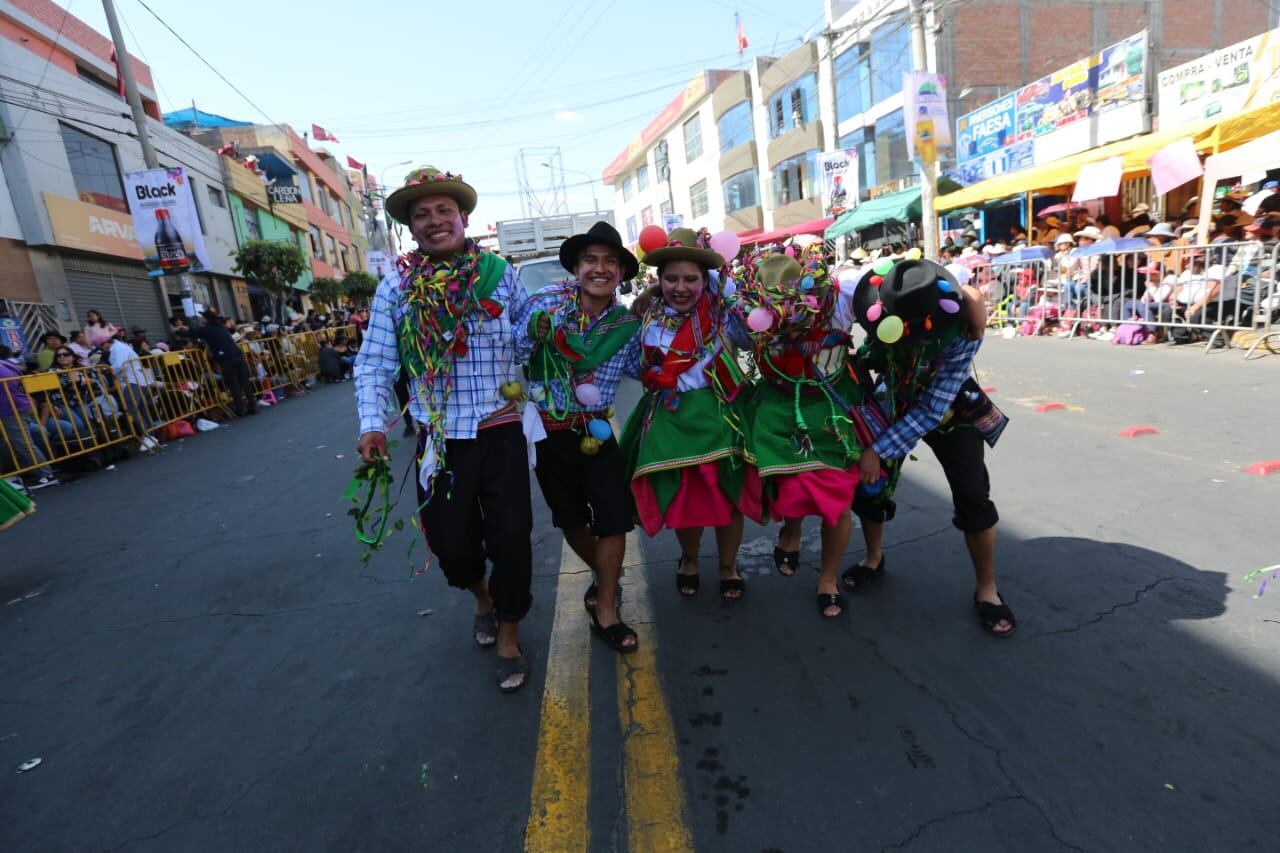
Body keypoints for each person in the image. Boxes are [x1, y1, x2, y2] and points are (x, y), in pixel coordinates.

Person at [355, 166, 533, 693]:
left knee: (512, 538)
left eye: (443, 211)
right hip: (439, 439)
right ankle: (481, 596)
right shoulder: (396, 288)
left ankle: (508, 633)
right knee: (452, 545)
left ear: (464, 217)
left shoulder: (501, 275)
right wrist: (372, 425)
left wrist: (546, 332)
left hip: (500, 429)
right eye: (421, 214)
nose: (434, 222)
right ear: (411, 228)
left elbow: (528, 345)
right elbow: (373, 363)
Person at [845, 258, 1016, 637]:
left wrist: (878, 448)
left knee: (973, 498)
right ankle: (874, 558)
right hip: (893, 402)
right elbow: (874, 361)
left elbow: (930, 409)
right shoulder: (882, 309)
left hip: (949, 411)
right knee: (868, 486)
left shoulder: (963, 329)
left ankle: (987, 589)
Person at [513, 220, 641, 653]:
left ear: (621, 273)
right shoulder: (543, 304)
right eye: (591, 260)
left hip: (597, 430)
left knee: (614, 517)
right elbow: (512, 349)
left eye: (610, 262)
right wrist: (534, 334)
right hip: (549, 432)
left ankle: (606, 608)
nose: (600, 269)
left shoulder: (626, 323)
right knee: (571, 521)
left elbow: (641, 367)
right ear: (577, 267)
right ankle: (607, 576)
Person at [620, 227, 760, 601]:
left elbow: (753, 336)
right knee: (687, 497)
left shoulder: (721, 314)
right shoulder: (646, 318)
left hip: (718, 413)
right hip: (670, 416)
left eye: (691, 279)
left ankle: (729, 565)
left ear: (706, 279)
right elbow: (633, 365)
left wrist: (727, 295)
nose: (680, 287)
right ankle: (690, 559)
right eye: (671, 278)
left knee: (728, 494)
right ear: (658, 280)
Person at [739, 248, 877, 619]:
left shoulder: (843, 297)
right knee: (790, 485)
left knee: (838, 502)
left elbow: (893, 290)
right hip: (779, 407)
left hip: (833, 408)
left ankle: (827, 579)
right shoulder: (746, 313)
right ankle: (792, 529)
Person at [0, 345, 58, 489]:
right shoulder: (7, 363)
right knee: (22, 443)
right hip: (19, 406)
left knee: (23, 444)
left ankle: (44, 475)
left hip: (12, 409)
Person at [187, 311, 258, 417]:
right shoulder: (221, 328)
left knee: (233, 384)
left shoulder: (207, 330)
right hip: (238, 356)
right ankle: (253, 406)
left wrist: (177, 331)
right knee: (244, 382)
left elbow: (191, 333)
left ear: (207, 319)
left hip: (227, 359)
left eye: (202, 317)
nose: (201, 319)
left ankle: (241, 408)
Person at [101, 337, 160, 451]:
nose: (102, 349)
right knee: (142, 408)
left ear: (106, 342)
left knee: (132, 409)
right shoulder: (122, 346)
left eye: (102, 346)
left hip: (133, 381)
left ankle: (148, 436)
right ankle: (151, 435)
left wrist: (106, 370)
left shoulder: (116, 348)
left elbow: (119, 365)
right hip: (138, 380)